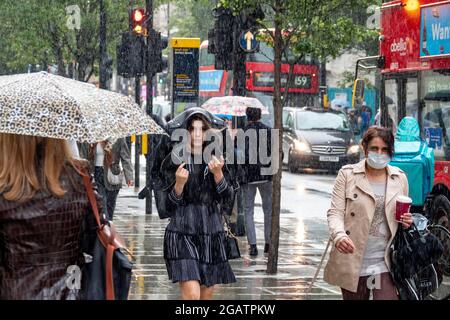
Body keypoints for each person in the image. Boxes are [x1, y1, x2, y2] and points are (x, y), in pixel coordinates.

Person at [0, 134, 101, 299]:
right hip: (70, 289)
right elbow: (93, 238)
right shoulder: (79, 179)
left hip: (16, 290)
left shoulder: (4, 188)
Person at [324, 126, 413, 300]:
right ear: (365, 148)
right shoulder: (347, 175)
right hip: (353, 259)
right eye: (374, 148)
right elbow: (335, 212)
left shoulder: (399, 178)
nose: (379, 153)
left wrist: (407, 221)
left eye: (384, 149)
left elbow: (403, 217)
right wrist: (339, 235)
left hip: (384, 262)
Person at [162, 113, 236, 300]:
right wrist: (178, 185)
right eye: (192, 129)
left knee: (205, 297)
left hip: (211, 233)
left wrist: (218, 174)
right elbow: (167, 206)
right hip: (182, 233)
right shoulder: (175, 160)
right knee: (192, 296)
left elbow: (228, 199)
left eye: (202, 129)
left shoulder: (216, 158)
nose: (196, 134)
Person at [242, 107, 273, 257]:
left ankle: (253, 245)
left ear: (247, 116)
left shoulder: (243, 132)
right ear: (260, 116)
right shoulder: (268, 131)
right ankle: (268, 243)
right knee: (268, 210)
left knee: (248, 210)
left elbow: (237, 154)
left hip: (249, 177)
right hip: (266, 175)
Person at [79, 139, 133, 220]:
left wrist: (129, 176)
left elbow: (126, 158)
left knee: (110, 208)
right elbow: (83, 157)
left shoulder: (117, 138)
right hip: (96, 174)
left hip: (112, 175)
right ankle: (105, 226)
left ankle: (108, 226)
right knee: (102, 206)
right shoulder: (91, 138)